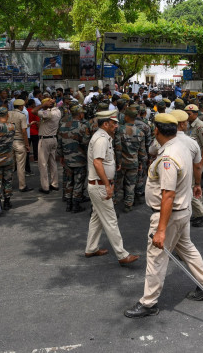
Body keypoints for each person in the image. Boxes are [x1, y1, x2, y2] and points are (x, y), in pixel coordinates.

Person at [124, 113, 203, 319]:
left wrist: (161, 230)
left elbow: (168, 195)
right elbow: (196, 167)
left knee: (156, 259)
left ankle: (148, 303)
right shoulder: (183, 144)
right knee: (187, 249)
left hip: (170, 214)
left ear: (157, 131)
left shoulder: (168, 157)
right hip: (183, 211)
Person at [84, 110, 139, 266]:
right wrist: (107, 185)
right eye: (114, 123)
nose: (116, 126)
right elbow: (97, 163)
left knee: (97, 218)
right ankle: (122, 255)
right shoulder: (101, 139)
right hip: (99, 186)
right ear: (106, 124)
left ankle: (91, 248)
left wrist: (110, 182)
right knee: (111, 220)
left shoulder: (104, 137)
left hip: (99, 184)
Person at [56, 105, 90, 213]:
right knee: (78, 182)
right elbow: (86, 143)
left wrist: (61, 156)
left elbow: (59, 143)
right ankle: (76, 205)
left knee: (69, 182)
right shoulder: (83, 126)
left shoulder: (63, 126)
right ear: (80, 114)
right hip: (79, 159)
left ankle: (68, 204)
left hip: (66, 159)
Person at [115, 108, 146, 213]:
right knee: (131, 184)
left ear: (126, 117)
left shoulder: (119, 130)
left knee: (117, 184)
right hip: (133, 163)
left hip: (121, 163)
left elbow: (117, 148)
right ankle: (128, 204)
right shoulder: (140, 133)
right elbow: (142, 152)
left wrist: (117, 161)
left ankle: (112, 203)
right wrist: (141, 163)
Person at [185, 104, 203, 226]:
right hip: (191, 161)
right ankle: (198, 213)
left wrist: (201, 163)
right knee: (194, 186)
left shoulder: (200, 126)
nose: (187, 116)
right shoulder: (189, 125)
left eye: (189, 114)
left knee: (190, 187)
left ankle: (201, 213)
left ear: (195, 114)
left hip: (197, 162)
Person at [7, 99, 33, 194]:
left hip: (9, 142)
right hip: (19, 142)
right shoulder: (22, 115)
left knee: (10, 166)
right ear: (21, 106)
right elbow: (23, 131)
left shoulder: (8, 114)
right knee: (21, 166)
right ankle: (22, 186)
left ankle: (8, 185)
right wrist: (27, 145)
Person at [37, 98, 61, 193]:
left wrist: (43, 106)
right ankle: (54, 184)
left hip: (45, 140)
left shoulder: (48, 113)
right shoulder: (58, 111)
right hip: (53, 138)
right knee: (53, 163)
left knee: (43, 164)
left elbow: (35, 111)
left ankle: (45, 187)